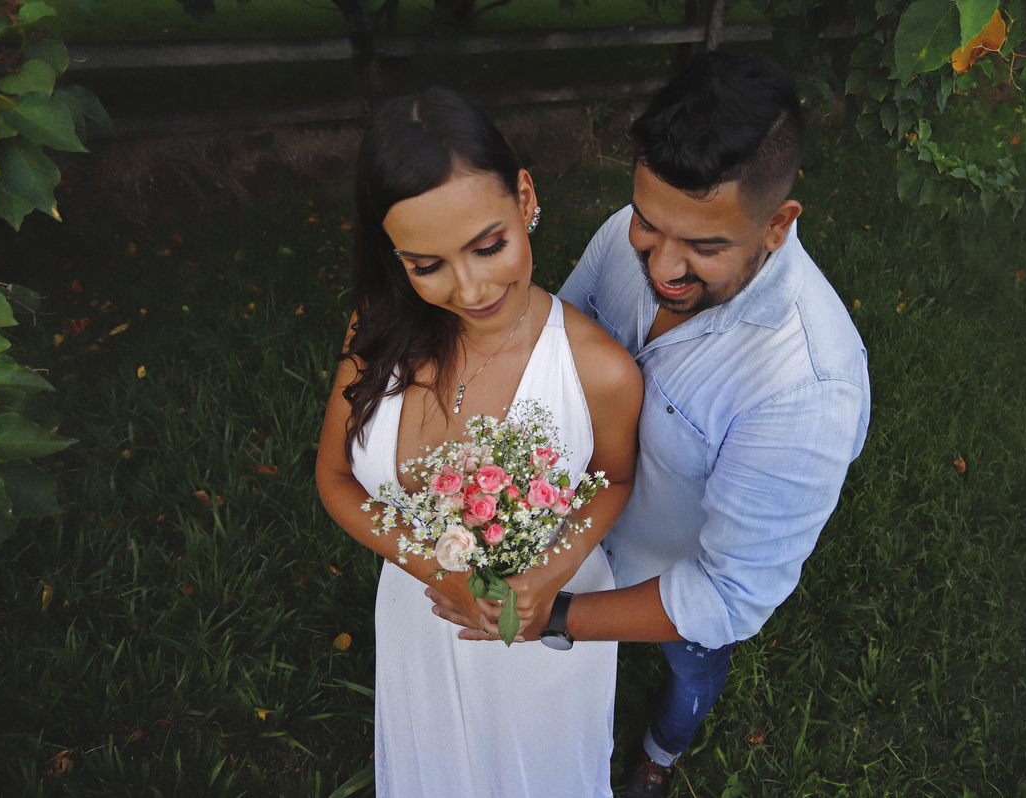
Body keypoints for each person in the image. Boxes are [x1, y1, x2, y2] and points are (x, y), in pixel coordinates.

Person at [429, 51, 871, 797]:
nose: (662, 267)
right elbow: (559, 340)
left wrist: (557, 617)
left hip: (666, 582)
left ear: (777, 224)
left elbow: (727, 597)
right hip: (573, 533)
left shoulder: (805, 393)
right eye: (649, 222)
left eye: (705, 247)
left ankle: (660, 755)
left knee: (693, 667)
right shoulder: (623, 235)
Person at [315, 87, 643, 798]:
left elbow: (615, 479)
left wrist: (547, 574)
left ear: (525, 197)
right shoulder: (376, 327)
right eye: (426, 264)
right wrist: (436, 570)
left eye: (488, 246)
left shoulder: (600, 371)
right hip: (419, 622)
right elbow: (335, 476)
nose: (469, 289)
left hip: (538, 639)